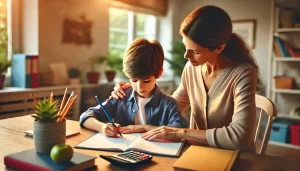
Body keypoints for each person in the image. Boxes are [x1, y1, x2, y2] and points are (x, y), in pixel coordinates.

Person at [111, 5, 262, 152]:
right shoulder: (191, 68)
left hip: (238, 158)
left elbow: (239, 137)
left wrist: (180, 133)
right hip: (200, 153)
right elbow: (170, 107)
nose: (186, 56)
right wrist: (137, 91)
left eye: (195, 51)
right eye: (185, 47)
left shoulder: (243, 73)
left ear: (219, 48)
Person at [79, 38, 187, 137]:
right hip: (122, 152)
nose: (140, 87)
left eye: (146, 81)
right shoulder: (121, 96)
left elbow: (181, 130)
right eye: (134, 80)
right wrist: (102, 127)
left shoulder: (169, 104)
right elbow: (86, 116)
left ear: (159, 73)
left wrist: (145, 128)